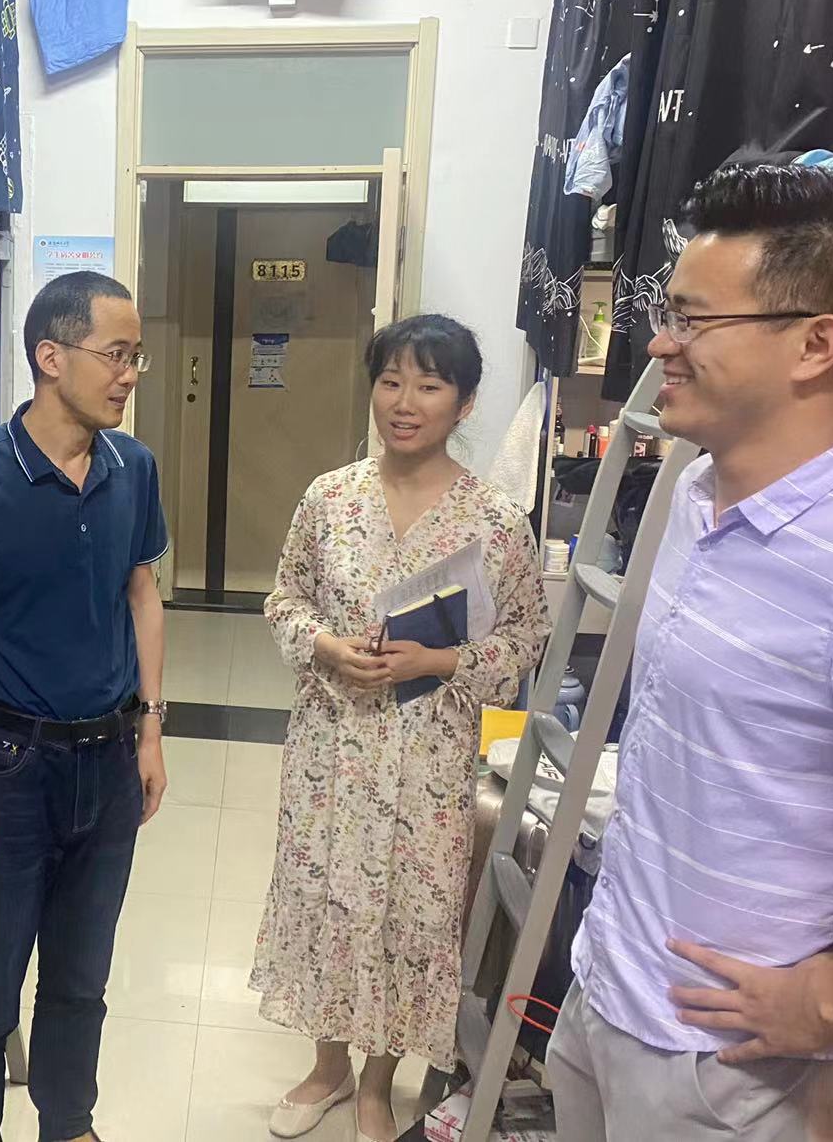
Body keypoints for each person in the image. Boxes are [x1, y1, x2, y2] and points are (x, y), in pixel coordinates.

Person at [547, 164, 833, 1142]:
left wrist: (831, 998)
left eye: (692, 320)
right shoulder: (695, 494)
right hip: (607, 990)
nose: (660, 343)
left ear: (816, 345)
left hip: (734, 1074)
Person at [254, 314, 550, 1142]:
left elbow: (526, 635)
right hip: (332, 747)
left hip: (428, 757)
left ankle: (379, 1081)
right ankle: (327, 1067)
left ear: (465, 403)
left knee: (406, 913)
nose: (405, 402)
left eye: (429, 385)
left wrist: (439, 661)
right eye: (390, 381)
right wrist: (325, 646)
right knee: (325, 895)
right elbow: (284, 598)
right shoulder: (329, 498)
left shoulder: (495, 521)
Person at [0, 271, 169, 1142]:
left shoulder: (133, 468)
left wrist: (151, 728)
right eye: (116, 354)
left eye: (136, 356)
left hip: (109, 760)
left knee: (82, 981)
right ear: (51, 357)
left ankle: (69, 1125)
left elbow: (143, 596)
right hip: (5, 768)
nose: (129, 374)